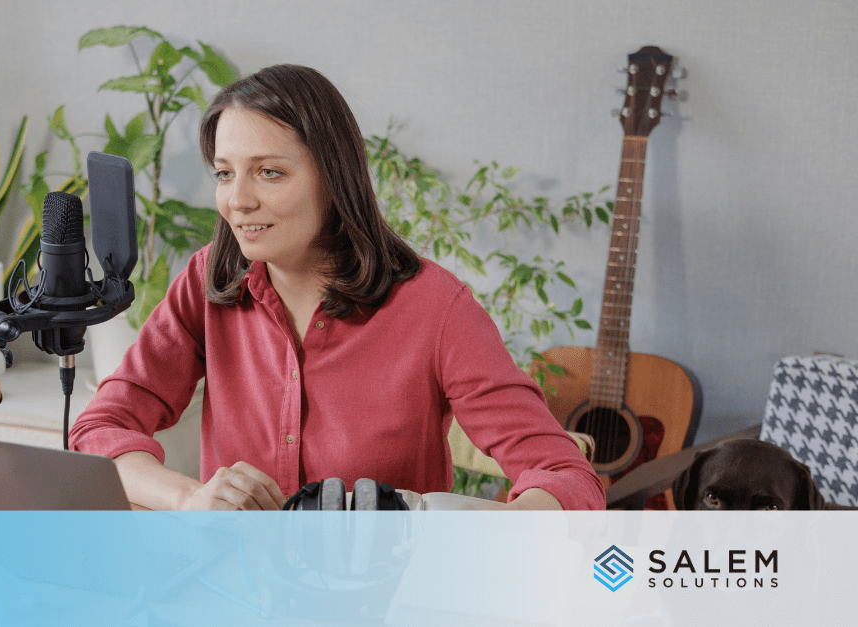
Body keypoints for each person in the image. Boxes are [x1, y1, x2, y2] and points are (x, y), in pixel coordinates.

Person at [70, 64, 605, 511]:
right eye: (225, 174)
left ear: (334, 176)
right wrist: (189, 499)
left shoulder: (436, 309)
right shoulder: (208, 281)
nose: (238, 201)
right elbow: (101, 428)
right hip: (239, 587)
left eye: (269, 173)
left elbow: (564, 475)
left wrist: (483, 532)